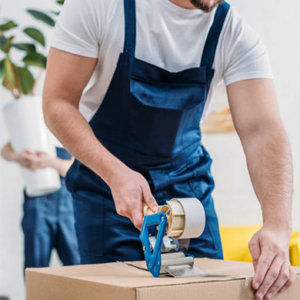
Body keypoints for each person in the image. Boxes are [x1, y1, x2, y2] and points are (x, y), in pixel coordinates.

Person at [43, 0, 296, 299]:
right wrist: (115, 174)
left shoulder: (234, 33)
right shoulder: (99, 6)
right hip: (108, 190)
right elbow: (57, 104)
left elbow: (262, 131)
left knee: (209, 293)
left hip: (188, 191)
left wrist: (278, 226)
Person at [1, 142, 80, 270]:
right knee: (35, 265)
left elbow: (79, 170)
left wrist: (50, 162)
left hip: (68, 203)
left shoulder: (72, 128)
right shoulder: (35, 126)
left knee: (77, 264)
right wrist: (18, 157)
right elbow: (5, 149)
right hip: (36, 202)